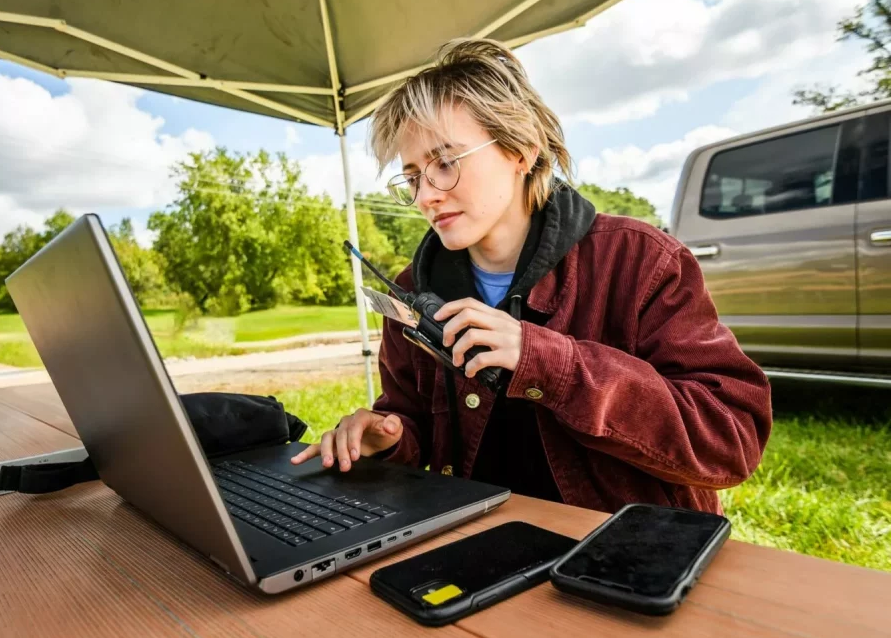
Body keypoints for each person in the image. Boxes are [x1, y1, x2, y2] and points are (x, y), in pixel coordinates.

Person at [291, 38, 772, 515]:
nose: (426, 196)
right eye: (413, 176)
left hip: (623, 556)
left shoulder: (641, 261)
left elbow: (731, 440)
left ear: (521, 150)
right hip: (477, 546)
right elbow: (413, 420)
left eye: (445, 163)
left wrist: (551, 364)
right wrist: (388, 439)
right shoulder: (413, 290)